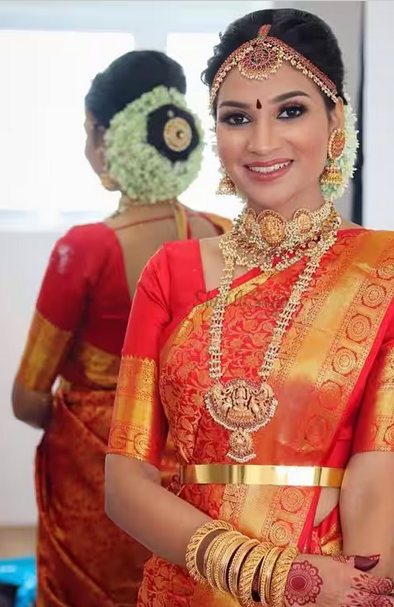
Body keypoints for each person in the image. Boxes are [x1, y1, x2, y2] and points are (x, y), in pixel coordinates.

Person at [105, 10, 394, 607]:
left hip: (335, 578)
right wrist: (270, 575)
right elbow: (124, 483)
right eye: (237, 118)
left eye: (290, 111)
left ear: (335, 118)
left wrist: (343, 592)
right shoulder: (171, 271)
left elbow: (374, 481)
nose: (263, 143)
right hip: (190, 586)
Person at [12, 50, 231, 607]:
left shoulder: (85, 249)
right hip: (197, 469)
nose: (89, 148)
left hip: (102, 476)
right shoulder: (224, 234)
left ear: (119, 138)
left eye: (91, 132)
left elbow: (27, 397)